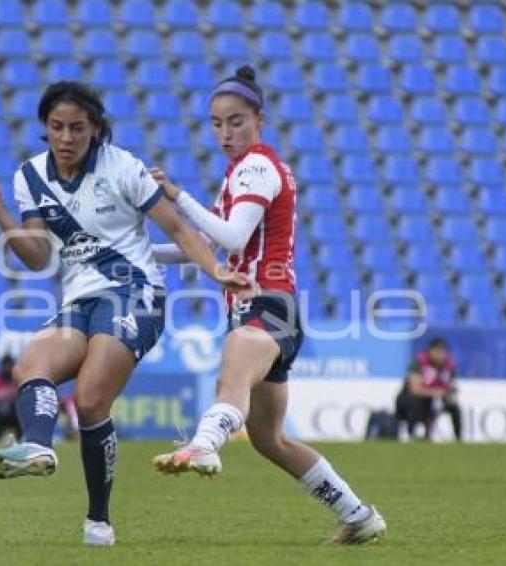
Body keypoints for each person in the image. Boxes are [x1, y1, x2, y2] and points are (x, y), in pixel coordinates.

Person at [0, 81, 244, 546]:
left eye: (77, 128)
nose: (66, 137)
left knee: (93, 399)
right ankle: (38, 446)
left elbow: (176, 226)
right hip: (79, 299)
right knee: (30, 367)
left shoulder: (122, 167)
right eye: (57, 127)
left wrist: (217, 270)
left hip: (134, 292)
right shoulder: (30, 177)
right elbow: (38, 258)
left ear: (96, 129)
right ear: (46, 129)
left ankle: (99, 519)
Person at [148, 66, 386, 544]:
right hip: (269, 310)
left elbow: (230, 235)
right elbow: (205, 245)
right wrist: (129, 252)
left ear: (258, 117)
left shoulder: (257, 166)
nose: (225, 132)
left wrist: (176, 196)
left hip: (267, 304)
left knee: (230, 377)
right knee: (268, 438)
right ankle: (360, 516)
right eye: (216, 123)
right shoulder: (241, 172)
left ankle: (202, 445)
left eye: (235, 120)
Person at [395, 337, 461, 441]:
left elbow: (450, 385)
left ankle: (458, 438)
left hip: (436, 398)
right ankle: (413, 435)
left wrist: (449, 395)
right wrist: (437, 392)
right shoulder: (418, 363)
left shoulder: (449, 366)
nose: (440, 355)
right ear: (430, 351)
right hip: (412, 399)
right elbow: (415, 390)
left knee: (454, 407)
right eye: (437, 352)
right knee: (416, 403)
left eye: (443, 352)